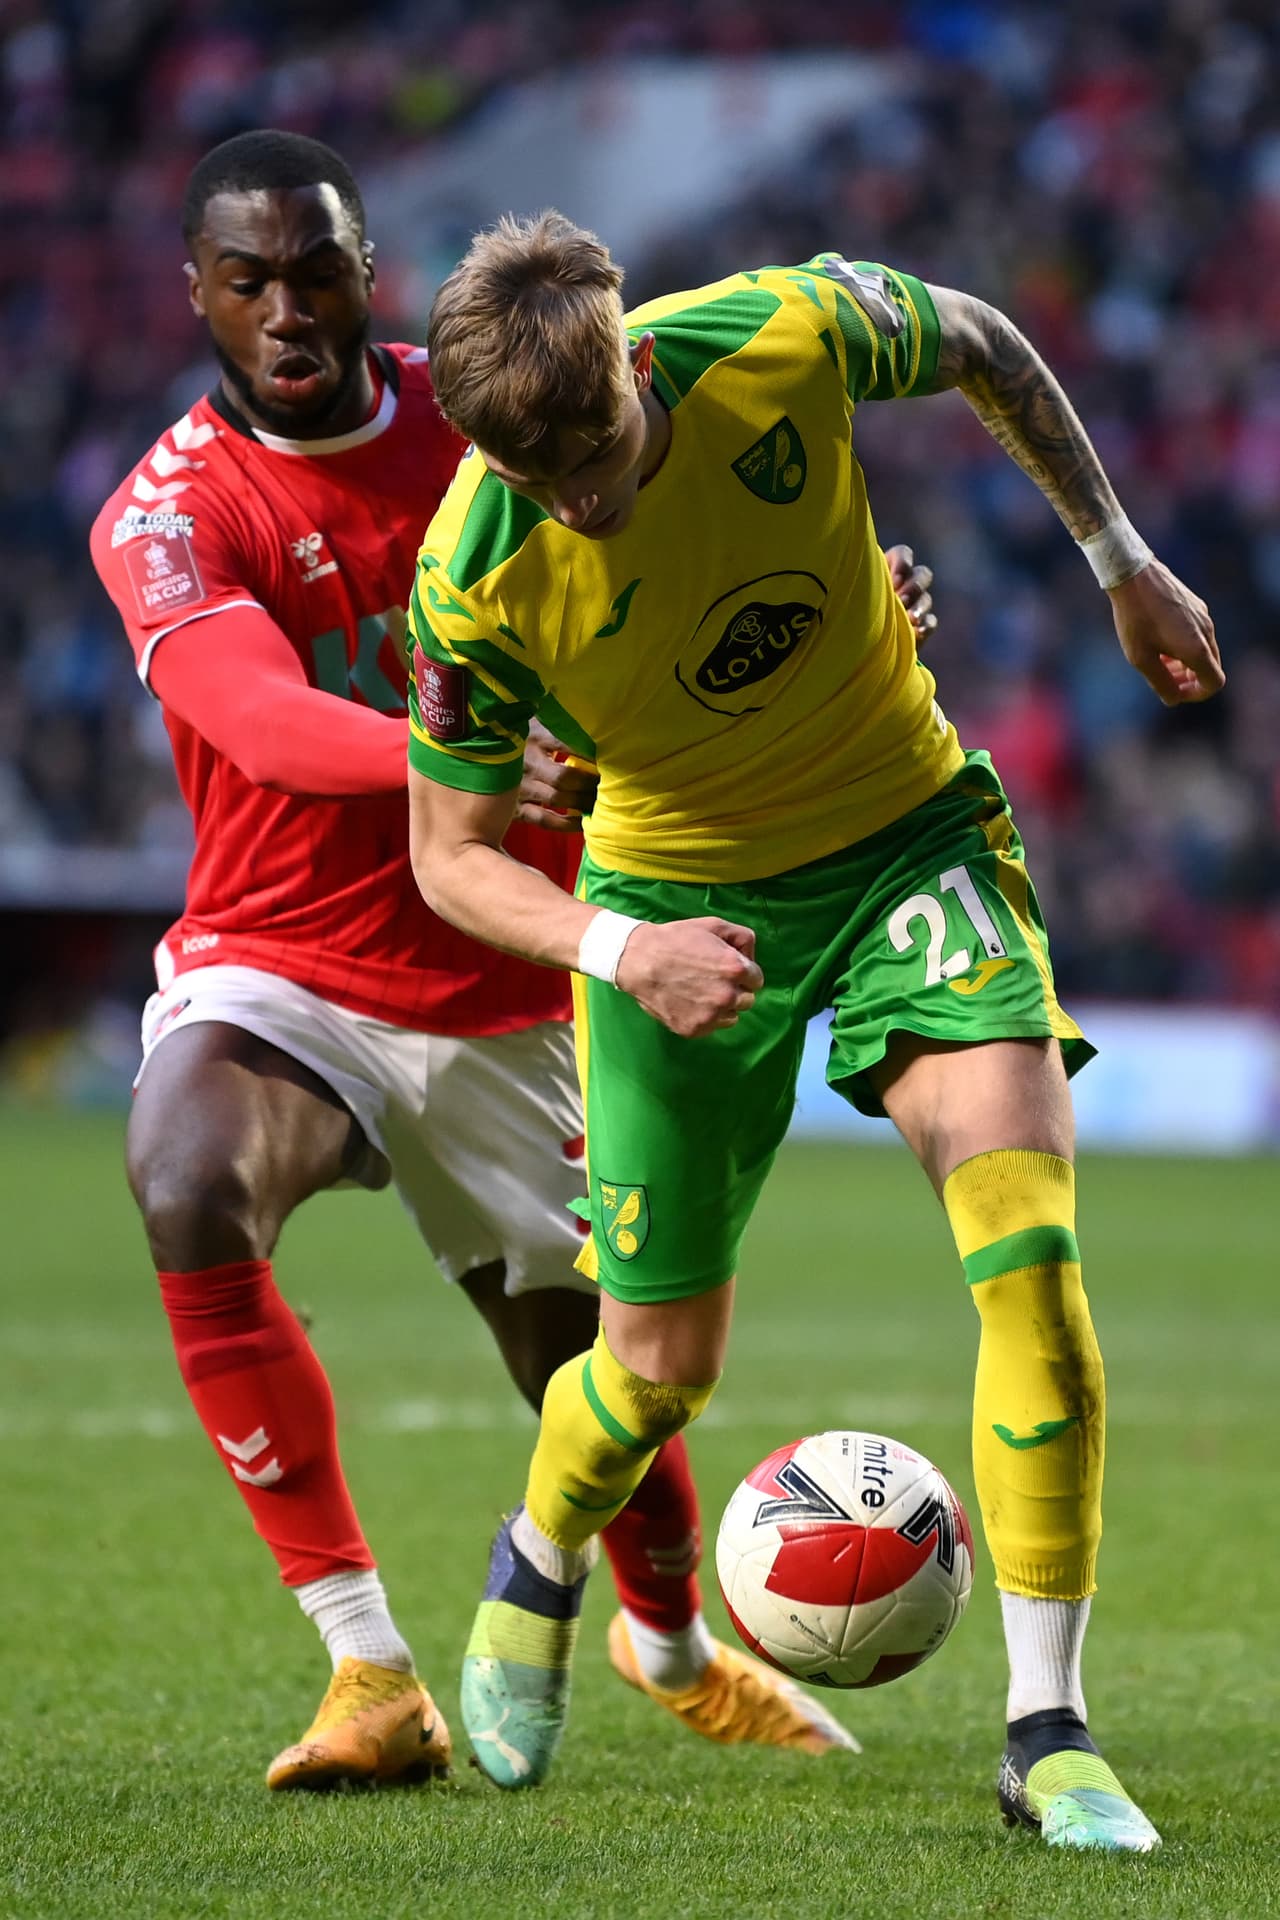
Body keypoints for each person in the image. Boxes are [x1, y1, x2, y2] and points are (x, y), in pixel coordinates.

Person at [88, 134, 944, 1790]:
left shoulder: (504, 408)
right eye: (247, 279)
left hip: (523, 972)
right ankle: (366, 1670)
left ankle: (675, 1646)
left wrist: (849, 609)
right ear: (193, 290)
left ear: (369, 271)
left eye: (317, 269)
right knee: (186, 1179)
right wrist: (455, 763)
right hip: (290, 961)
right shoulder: (173, 509)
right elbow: (247, 714)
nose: (287, 310)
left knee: (612, 1381)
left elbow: (707, 558)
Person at [404, 212, 1224, 1845]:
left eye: (592, 450)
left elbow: (985, 341)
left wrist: (1119, 560)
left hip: (907, 838)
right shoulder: (474, 574)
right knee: (652, 1376)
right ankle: (540, 1559)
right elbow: (451, 859)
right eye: (535, 470)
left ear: (637, 364)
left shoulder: (778, 334)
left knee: (1032, 1264)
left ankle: (1046, 1732)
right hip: (676, 907)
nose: (576, 492)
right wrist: (622, 949)